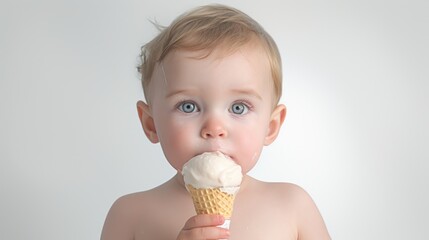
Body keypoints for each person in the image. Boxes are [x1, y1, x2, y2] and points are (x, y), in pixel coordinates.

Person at [101, 4, 330, 240]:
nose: (214, 128)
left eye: (238, 108)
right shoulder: (129, 216)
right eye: (188, 106)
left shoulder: (292, 207)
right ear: (151, 124)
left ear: (271, 127)